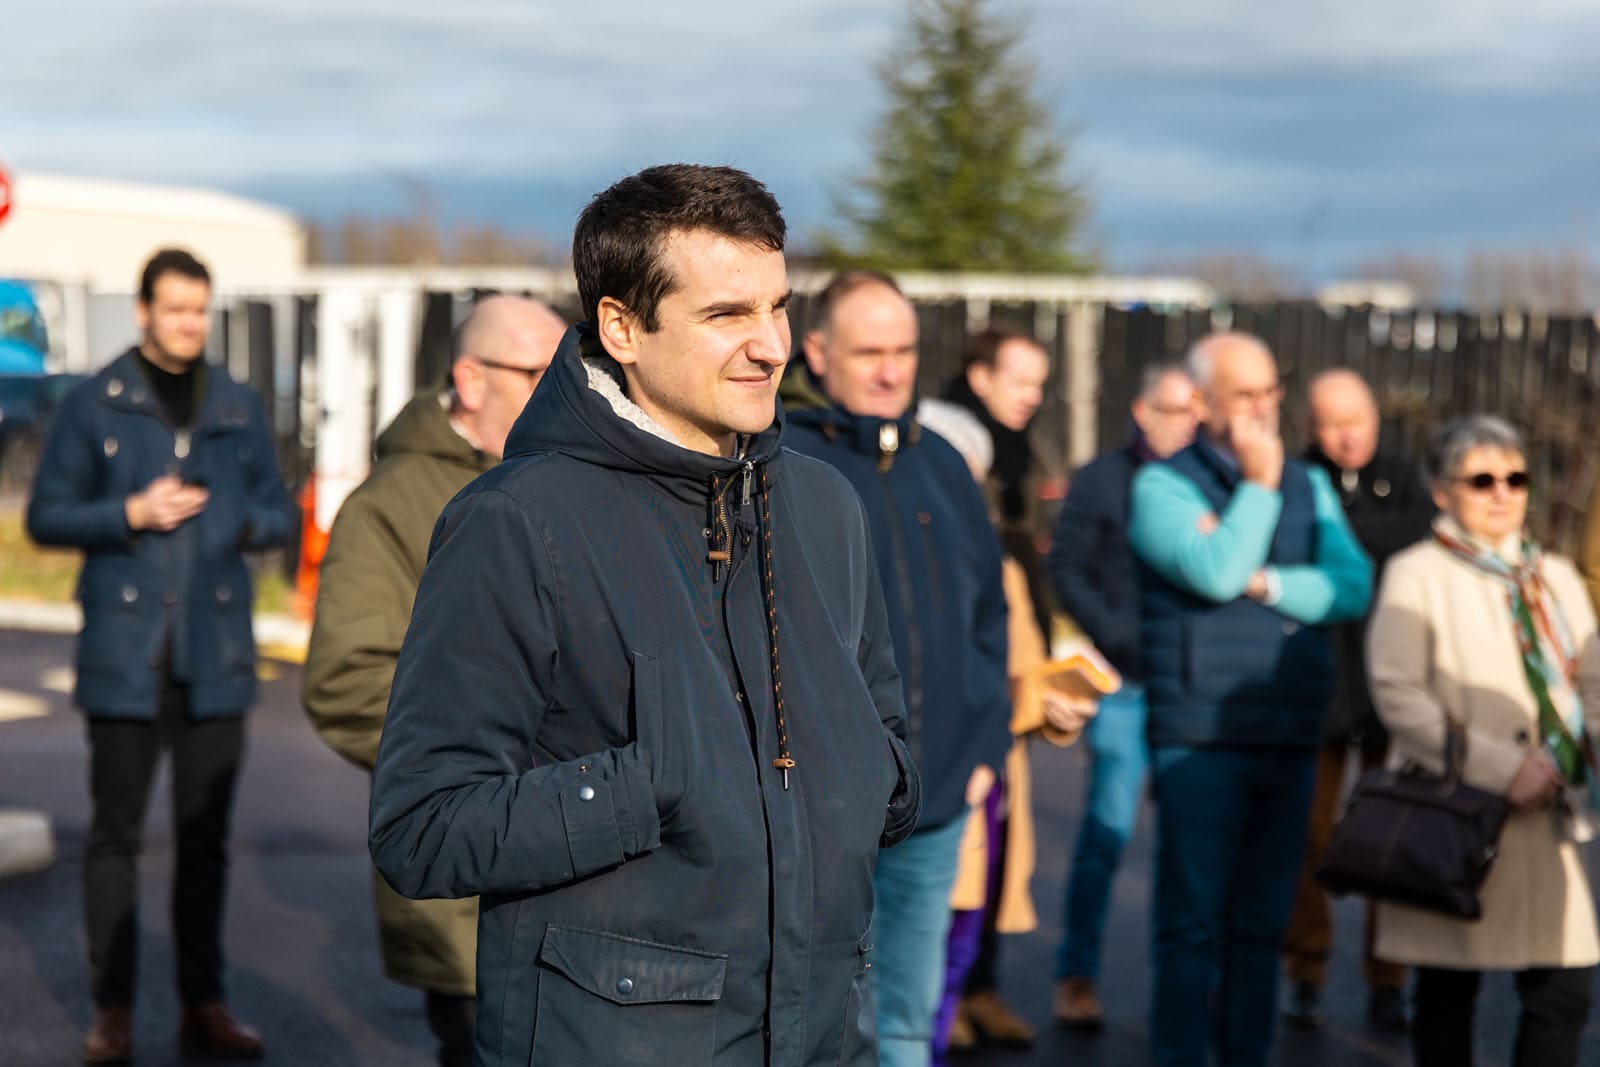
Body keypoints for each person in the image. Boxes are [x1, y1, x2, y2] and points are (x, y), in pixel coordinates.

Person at [366, 165, 920, 1067]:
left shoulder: (826, 505)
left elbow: (883, 736)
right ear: (621, 327)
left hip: (828, 1037)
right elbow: (422, 828)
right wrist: (655, 783)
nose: (770, 345)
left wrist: (872, 775)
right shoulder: (519, 519)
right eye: (726, 314)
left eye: (778, 307)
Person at [27, 248, 294, 1063]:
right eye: (175, 309)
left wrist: (235, 521)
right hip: (125, 654)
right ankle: (111, 1010)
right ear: (142, 310)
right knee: (114, 837)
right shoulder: (94, 402)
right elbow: (46, 515)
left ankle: (202, 1003)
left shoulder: (238, 404)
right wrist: (130, 513)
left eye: (199, 310)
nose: (189, 324)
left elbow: (279, 514)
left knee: (205, 842)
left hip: (216, 654)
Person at [302, 295, 565, 1067]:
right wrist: (507, 770)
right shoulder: (390, 504)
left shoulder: (569, 480)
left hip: (586, 867)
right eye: (539, 373)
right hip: (472, 876)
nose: (563, 390)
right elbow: (347, 681)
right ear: (471, 380)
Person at [785, 270, 1013, 1067]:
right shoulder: (776, 460)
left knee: (909, 1023)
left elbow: (989, 616)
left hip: (937, 801)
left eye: (905, 351)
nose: (891, 371)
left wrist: (985, 746)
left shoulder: (943, 464)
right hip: (815, 812)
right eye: (869, 352)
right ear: (818, 353)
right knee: (815, 1023)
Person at [1128, 331, 1371, 1067]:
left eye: (1271, 392)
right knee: (1193, 924)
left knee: (1263, 924)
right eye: (1245, 395)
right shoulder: (1161, 486)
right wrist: (1259, 490)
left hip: (1290, 729)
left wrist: (1264, 582)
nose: (1263, 408)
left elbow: (1352, 585)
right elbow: (1212, 571)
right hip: (1200, 737)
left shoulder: (1311, 483)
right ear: (1202, 403)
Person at [1367, 415, 1600, 1067]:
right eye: (1482, 480)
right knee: (1448, 990)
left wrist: (1568, 758)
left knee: (1563, 992)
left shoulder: (1553, 573)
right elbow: (1397, 691)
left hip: (1550, 812)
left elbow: (1594, 679)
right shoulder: (1417, 573)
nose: (1503, 493)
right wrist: (1504, 769)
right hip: (1458, 811)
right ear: (1442, 491)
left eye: (1515, 478)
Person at [915, 398, 1097, 1062]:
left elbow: (1020, 667)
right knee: (918, 943)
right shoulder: (891, 554)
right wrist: (1025, 702)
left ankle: (959, 1009)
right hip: (929, 776)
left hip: (992, 773)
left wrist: (1054, 704)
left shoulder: (1001, 563)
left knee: (970, 920)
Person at [1281, 368, 1435, 1032]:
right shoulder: (1294, 478)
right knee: (1307, 835)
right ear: (1312, 426)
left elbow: (1419, 534)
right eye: (1333, 424)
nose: (1349, 436)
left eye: (1359, 421)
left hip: (1389, 689)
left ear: (1376, 417)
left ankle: (1388, 976)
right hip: (1316, 686)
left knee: (1390, 840)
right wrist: (1363, 538)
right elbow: (1296, 545)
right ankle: (1305, 967)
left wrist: (1339, 536)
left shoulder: (1403, 476)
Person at [1047, 362, 1197, 1028]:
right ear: (1142, 410)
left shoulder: (1205, 480)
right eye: (1175, 410)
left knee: (1190, 844)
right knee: (1106, 833)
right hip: (1126, 684)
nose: (1188, 424)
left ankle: (1183, 985)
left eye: (1196, 411)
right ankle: (1076, 975)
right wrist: (1116, 635)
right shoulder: (1103, 478)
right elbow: (1066, 565)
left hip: (1192, 686)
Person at [944, 327, 1054, 639]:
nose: (1034, 398)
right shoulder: (947, 447)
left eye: (1039, 385)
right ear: (980, 377)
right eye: (1020, 383)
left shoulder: (1023, 450)